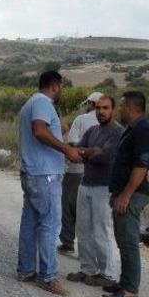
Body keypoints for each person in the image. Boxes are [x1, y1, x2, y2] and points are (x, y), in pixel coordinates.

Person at [16, 71, 82, 296]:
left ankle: (26, 270)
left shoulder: (31, 103)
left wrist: (61, 130)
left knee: (31, 223)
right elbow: (40, 131)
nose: (61, 90)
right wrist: (67, 149)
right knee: (50, 225)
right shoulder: (43, 102)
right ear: (55, 86)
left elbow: (47, 130)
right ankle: (48, 276)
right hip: (45, 175)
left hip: (33, 173)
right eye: (61, 87)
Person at [103, 91, 149, 297]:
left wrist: (126, 195)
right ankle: (124, 283)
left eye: (123, 106)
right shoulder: (132, 129)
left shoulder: (143, 130)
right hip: (123, 192)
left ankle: (130, 290)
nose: (120, 110)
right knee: (122, 239)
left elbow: (141, 165)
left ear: (132, 107)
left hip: (133, 194)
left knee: (128, 241)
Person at [66, 95, 123, 287]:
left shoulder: (117, 133)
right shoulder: (91, 130)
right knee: (83, 229)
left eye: (105, 108)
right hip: (86, 183)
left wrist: (86, 153)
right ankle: (88, 269)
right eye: (98, 108)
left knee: (101, 231)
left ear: (113, 110)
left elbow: (105, 156)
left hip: (104, 187)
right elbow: (77, 152)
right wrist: (90, 152)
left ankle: (107, 274)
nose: (101, 111)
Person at [58, 92, 104, 253]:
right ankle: (88, 249)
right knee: (90, 211)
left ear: (91, 104)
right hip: (97, 173)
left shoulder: (81, 119)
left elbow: (71, 141)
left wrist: (85, 151)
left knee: (68, 205)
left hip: (76, 170)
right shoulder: (109, 124)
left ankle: (67, 242)